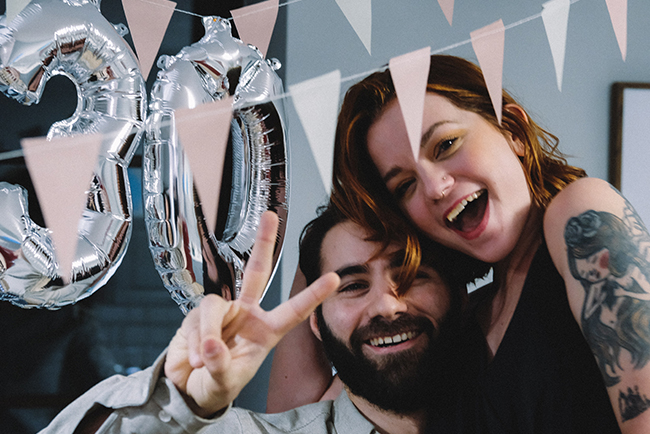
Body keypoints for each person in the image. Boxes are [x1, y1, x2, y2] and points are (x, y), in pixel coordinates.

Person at [269, 54, 650, 433]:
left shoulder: (579, 213)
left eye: (446, 144)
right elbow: (298, 420)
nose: (435, 187)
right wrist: (324, 249)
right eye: (404, 185)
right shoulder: (460, 323)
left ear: (513, 130)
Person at [39, 208, 475, 433]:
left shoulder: (526, 415)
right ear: (317, 324)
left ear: (458, 295)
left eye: (412, 275)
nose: (386, 305)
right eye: (352, 286)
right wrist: (176, 406)